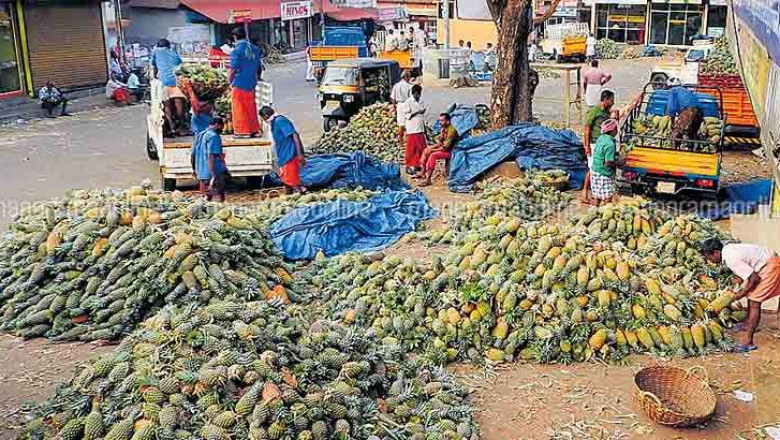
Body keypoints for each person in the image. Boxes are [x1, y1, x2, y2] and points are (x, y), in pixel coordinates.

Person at [700, 239, 780, 352]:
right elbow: (746, 270)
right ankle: (748, 324)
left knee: (754, 302)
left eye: (709, 257)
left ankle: (748, 342)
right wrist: (737, 284)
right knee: (751, 295)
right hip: (766, 262)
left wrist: (739, 295)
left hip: (770, 265)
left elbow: (754, 279)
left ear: (716, 253)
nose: (710, 260)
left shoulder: (731, 259)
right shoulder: (728, 250)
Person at [259, 106, 307, 194]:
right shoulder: (274, 123)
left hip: (289, 155)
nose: (263, 121)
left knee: (292, 182)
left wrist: (300, 154)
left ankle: (301, 195)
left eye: (262, 119)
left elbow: (295, 135)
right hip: (283, 156)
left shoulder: (280, 121)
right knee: (286, 181)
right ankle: (288, 197)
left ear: (266, 116)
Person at [581, 89, 615, 203]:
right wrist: (587, 146)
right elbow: (587, 128)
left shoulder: (606, 112)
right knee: (593, 169)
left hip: (601, 143)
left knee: (597, 169)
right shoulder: (594, 111)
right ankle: (585, 191)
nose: (613, 103)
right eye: (611, 100)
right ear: (605, 100)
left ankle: (595, 195)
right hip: (594, 143)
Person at [229, 28, 263, 138]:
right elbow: (259, 67)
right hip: (251, 82)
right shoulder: (255, 49)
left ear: (235, 37)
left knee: (239, 108)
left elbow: (233, 69)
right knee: (251, 107)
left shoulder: (236, 51)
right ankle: (255, 130)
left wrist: (228, 81)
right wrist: (257, 78)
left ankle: (243, 131)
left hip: (239, 82)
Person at [151, 38, 185, 137]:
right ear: (168, 46)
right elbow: (179, 63)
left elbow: (154, 65)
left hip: (163, 81)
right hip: (175, 80)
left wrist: (154, 77)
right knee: (178, 103)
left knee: (167, 105)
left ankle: (172, 128)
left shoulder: (156, 51)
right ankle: (182, 128)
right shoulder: (173, 52)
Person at [191, 117, 229, 203]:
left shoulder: (199, 135)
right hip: (213, 171)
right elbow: (211, 156)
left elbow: (193, 154)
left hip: (201, 172)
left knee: (206, 198)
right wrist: (213, 175)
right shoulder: (214, 136)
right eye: (221, 127)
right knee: (219, 197)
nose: (222, 129)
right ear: (217, 125)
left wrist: (194, 169)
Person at [416, 113, 459, 187]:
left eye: (442, 121)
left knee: (433, 155)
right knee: (426, 150)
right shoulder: (443, 129)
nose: (440, 122)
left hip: (451, 151)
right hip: (444, 148)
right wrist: (430, 148)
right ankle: (422, 173)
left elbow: (444, 147)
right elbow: (440, 142)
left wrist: (432, 150)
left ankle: (428, 180)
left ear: (448, 121)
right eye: (439, 120)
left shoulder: (452, 131)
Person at [590, 118, 619, 204]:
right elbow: (608, 163)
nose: (617, 131)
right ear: (613, 130)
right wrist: (618, 162)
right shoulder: (610, 144)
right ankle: (606, 212)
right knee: (607, 197)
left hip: (594, 170)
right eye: (616, 129)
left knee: (596, 196)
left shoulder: (600, 138)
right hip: (604, 174)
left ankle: (594, 211)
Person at [402, 85, 427, 175]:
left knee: (421, 147)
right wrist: (416, 112)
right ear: (413, 93)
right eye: (417, 94)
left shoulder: (421, 101)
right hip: (412, 128)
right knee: (411, 148)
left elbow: (423, 112)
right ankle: (409, 165)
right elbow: (407, 115)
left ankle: (418, 164)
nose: (418, 96)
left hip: (420, 127)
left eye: (419, 94)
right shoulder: (408, 102)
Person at [392, 71, 414, 146]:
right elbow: (411, 99)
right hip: (406, 105)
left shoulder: (396, 86)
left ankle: (400, 141)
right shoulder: (409, 87)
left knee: (400, 124)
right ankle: (408, 142)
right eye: (409, 77)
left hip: (399, 105)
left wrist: (394, 108)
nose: (409, 79)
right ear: (406, 77)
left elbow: (393, 99)